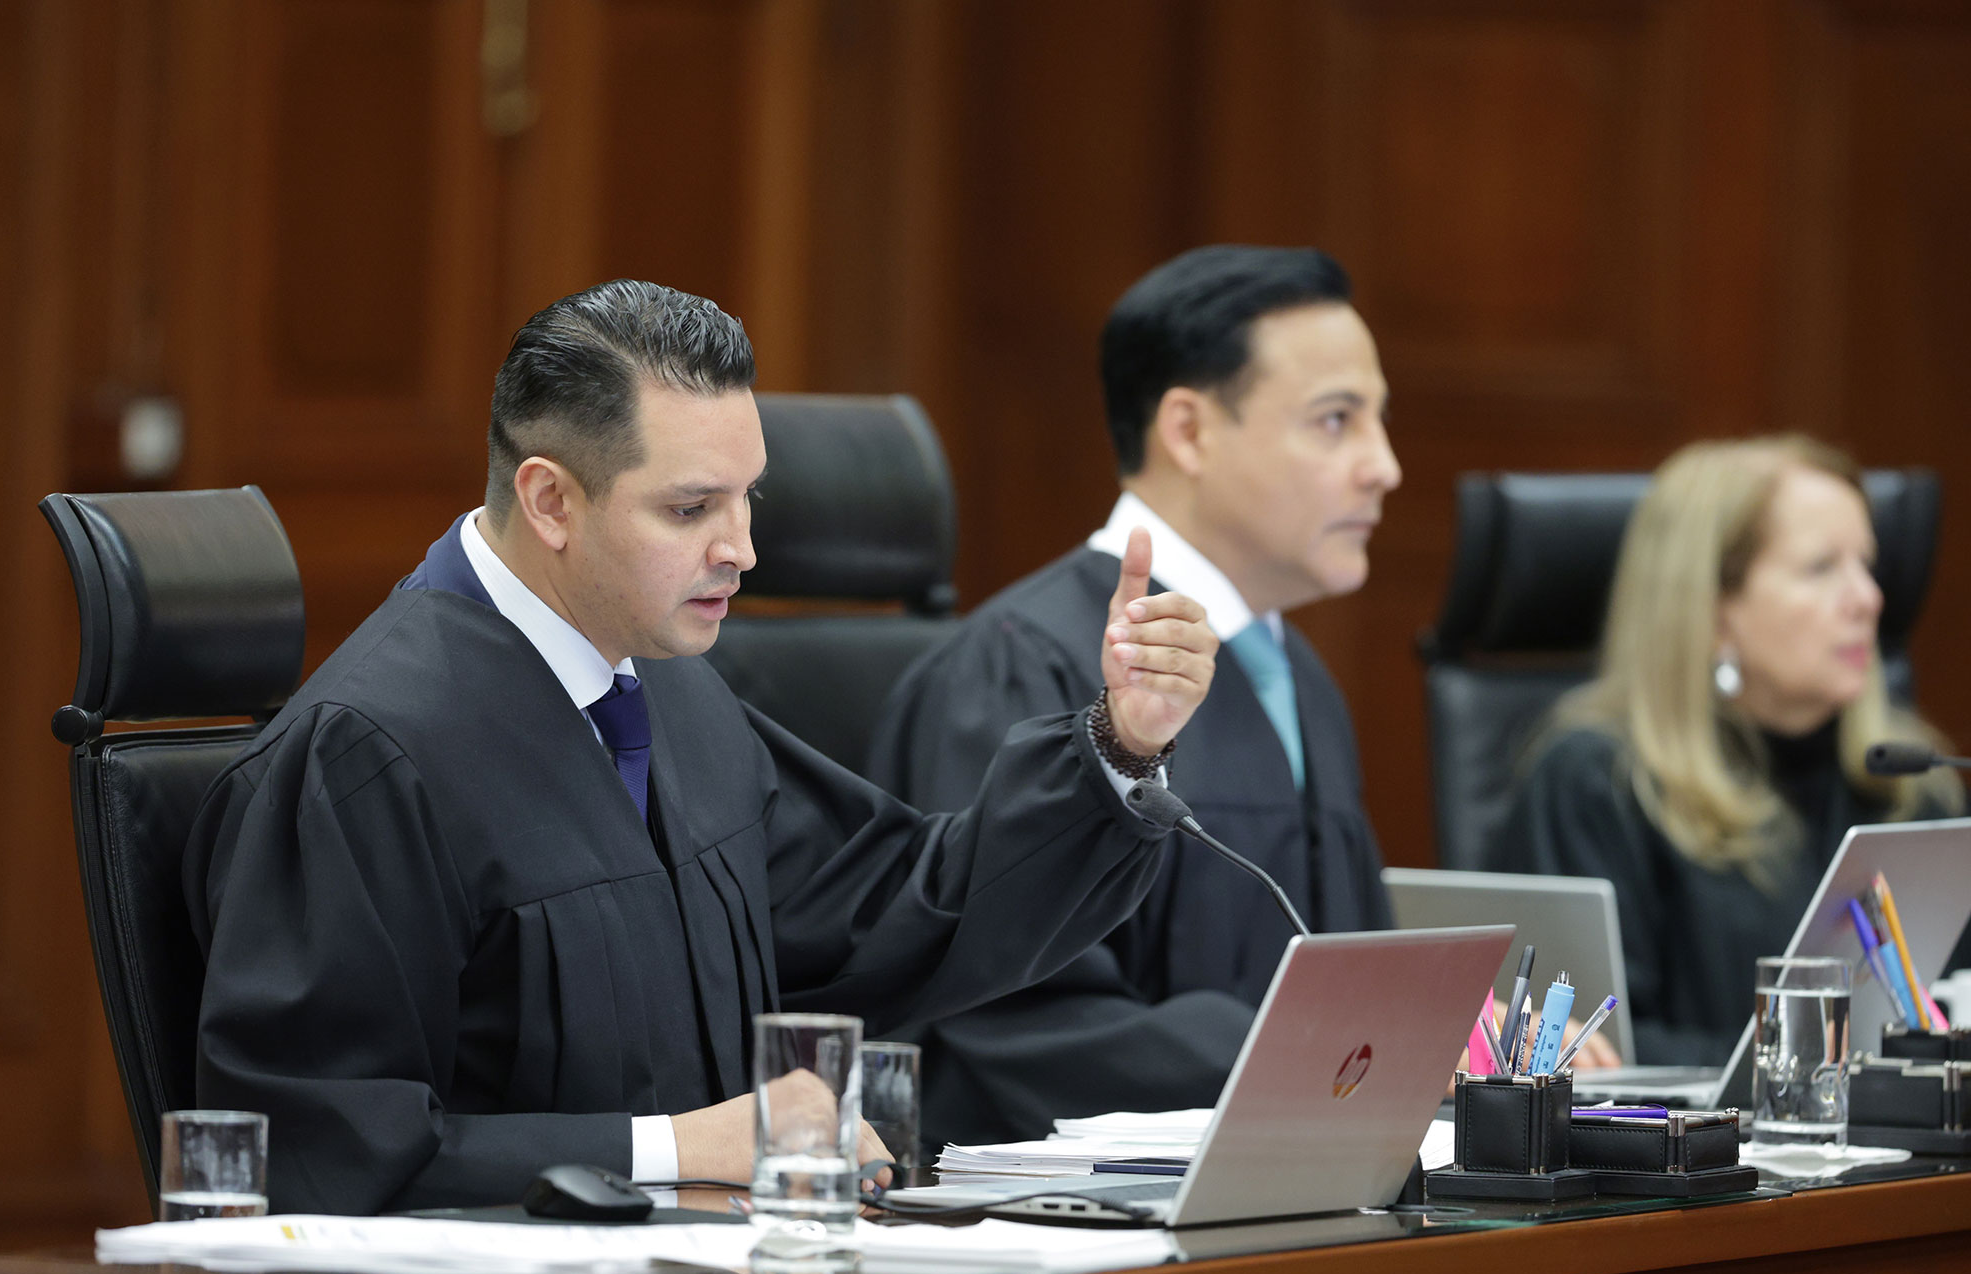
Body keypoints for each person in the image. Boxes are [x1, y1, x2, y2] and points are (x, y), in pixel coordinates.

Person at [183, 279, 1221, 1214]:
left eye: (746, 497)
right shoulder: (366, 755)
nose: (742, 549)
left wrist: (1120, 742)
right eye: (690, 508)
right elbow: (319, 1148)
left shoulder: (666, 687)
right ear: (550, 501)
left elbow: (894, 907)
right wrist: (677, 1150)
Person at [866, 245, 1402, 1147]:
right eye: (1336, 420)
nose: (1384, 466)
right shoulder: (1021, 662)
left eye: (1380, 421)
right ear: (1188, 430)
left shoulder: (1299, 676)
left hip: (1299, 1179)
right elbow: (1011, 1017)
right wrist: (1315, 1059)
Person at [1486, 437, 1963, 1064]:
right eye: (1822, 568)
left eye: (1867, 565)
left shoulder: (1913, 785)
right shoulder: (1594, 784)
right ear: (1713, 610)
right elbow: (1588, 1049)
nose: (1868, 598)